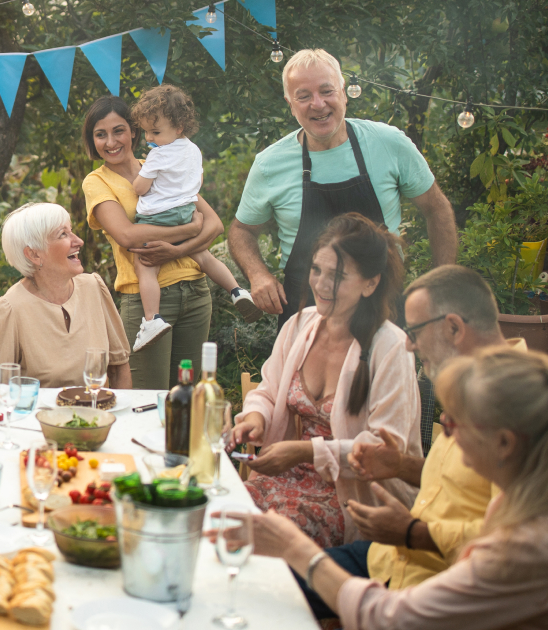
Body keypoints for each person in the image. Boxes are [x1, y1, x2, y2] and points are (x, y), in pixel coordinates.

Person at [226, 347, 548, 629]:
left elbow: (390, 618)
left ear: (504, 443)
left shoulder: (536, 545)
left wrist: (295, 549)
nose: (444, 429)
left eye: (456, 420)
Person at [291, 265, 516, 619]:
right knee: (269, 580)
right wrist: (401, 467)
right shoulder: (470, 389)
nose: (408, 344)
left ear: (454, 327)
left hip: (440, 582)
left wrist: (414, 532)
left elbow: (517, 544)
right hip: (388, 557)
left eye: (414, 332)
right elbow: (459, 485)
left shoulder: (528, 407)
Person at [227, 48, 459, 328]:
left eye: (327, 91)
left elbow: (437, 208)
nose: (318, 104)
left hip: (382, 311)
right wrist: (258, 274)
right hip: (304, 316)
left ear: (344, 93)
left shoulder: (388, 143)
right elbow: (242, 230)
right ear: (290, 103)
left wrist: (438, 286)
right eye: (304, 96)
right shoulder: (269, 164)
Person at [230, 213, 421, 549]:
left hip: (351, 498)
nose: (319, 284)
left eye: (337, 276)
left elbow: (383, 450)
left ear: (370, 284)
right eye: (317, 270)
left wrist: (303, 452)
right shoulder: (300, 325)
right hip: (287, 478)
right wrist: (255, 419)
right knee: (224, 515)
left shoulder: (389, 347)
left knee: (274, 536)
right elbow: (268, 390)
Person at [81, 95, 224, 389]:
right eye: (100, 134)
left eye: (118, 130)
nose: (110, 142)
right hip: (148, 303)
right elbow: (127, 235)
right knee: (149, 399)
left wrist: (178, 249)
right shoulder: (97, 182)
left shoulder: (161, 162)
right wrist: (188, 228)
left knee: (187, 398)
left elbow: (214, 224)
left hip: (196, 293)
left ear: (134, 131)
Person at [128, 85, 260, 351]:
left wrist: (142, 179)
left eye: (155, 132)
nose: (148, 138)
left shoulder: (157, 155)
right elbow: (196, 181)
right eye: (145, 131)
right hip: (187, 212)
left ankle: (152, 319)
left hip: (158, 217)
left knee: (144, 266)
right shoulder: (193, 150)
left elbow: (139, 188)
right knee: (203, 255)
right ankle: (237, 291)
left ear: (178, 127)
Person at [0, 202, 132, 389]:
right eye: (63, 234)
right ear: (34, 255)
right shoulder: (11, 308)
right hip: (39, 417)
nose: (79, 241)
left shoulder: (93, 287)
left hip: (98, 414)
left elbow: (119, 367)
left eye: (71, 230)